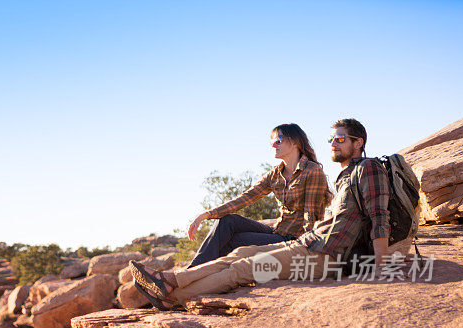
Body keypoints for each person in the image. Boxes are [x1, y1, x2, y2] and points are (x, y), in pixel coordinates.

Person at [132, 118, 389, 309]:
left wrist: (380, 267)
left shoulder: (367, 167)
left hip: (325, 254)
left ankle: (172, 298)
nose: (333, 143)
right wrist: (207, 214)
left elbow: (379, 216)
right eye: (331, 139)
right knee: (239, 252)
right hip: (310, 245)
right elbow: (246, 197)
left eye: (340, 139)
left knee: (243, 267)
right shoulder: (345, 175)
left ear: (359, 143)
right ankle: (171, 279)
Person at [186, 123, 332, 268]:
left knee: (234, 241)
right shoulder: (275, 174)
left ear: (294, 142)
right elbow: (245, 198)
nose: (273, 146)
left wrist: (302, 249)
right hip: (278, 231)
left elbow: (311, 217)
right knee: (227, 221)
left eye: (278, 141)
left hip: (294, 239)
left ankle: (193, 275)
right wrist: (206, 215)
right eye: (272, 142)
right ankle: (194, 272)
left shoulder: (312, 171)